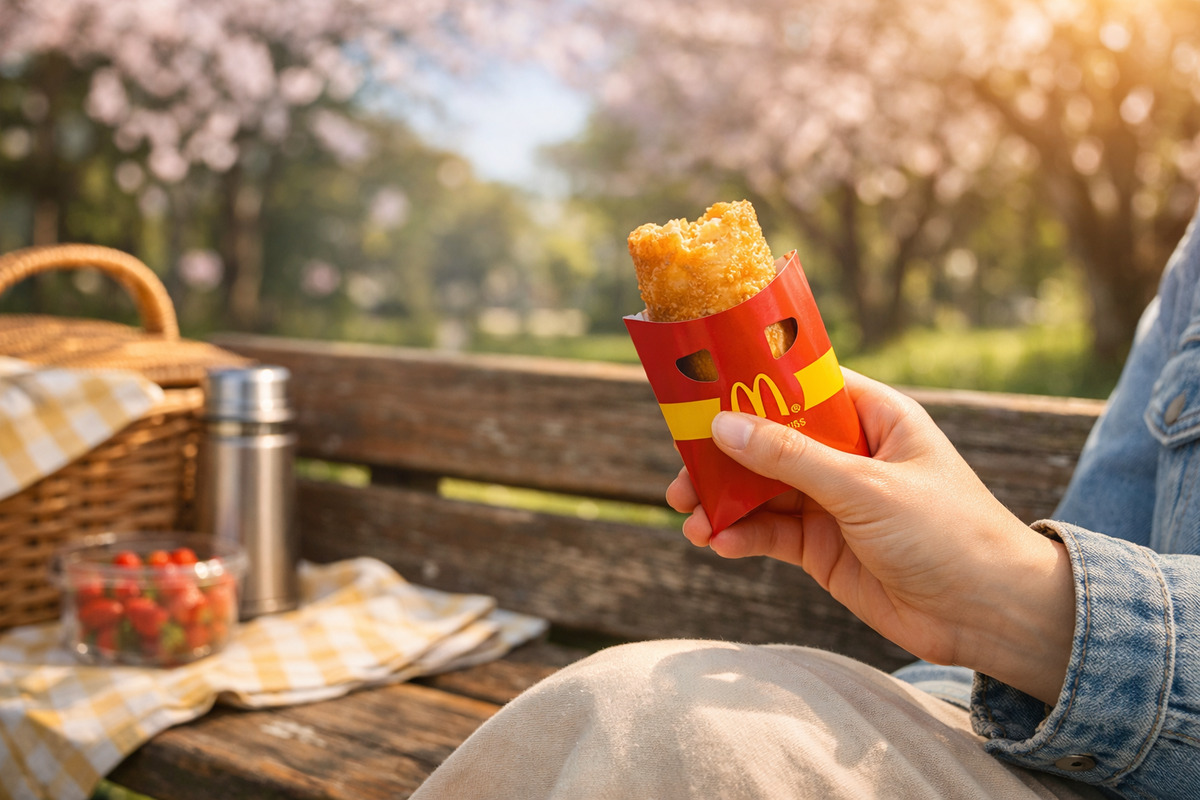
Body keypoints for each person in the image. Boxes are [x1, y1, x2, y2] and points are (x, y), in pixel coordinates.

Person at [410, 212, 1200, 799]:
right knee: (624, 702)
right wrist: (991, 622)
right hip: (1043, 748)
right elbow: (1108, 530)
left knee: (650, 717)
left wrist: (1009, 602)